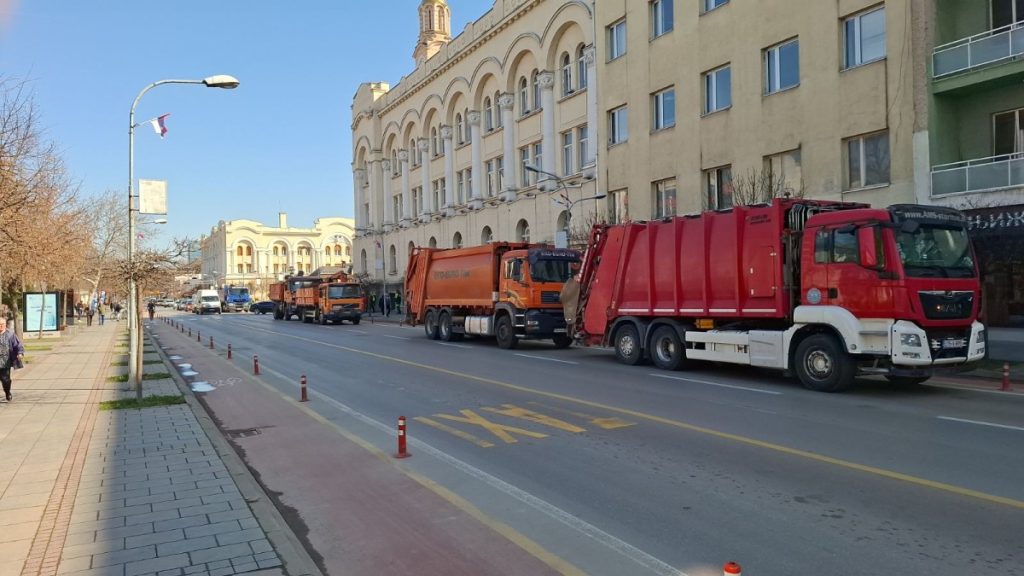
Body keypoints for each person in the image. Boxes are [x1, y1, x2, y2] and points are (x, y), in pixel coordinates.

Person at [0, 316, 25, 402]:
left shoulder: (10, 334)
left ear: (5, 325)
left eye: (2, 324)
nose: (0, 326)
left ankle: (7, 392)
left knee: (5, 380)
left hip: (5, 362)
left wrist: (20, 353)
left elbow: (17, 345)